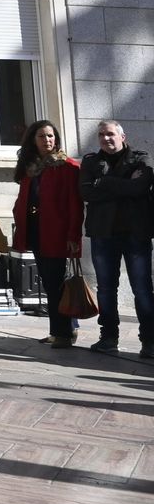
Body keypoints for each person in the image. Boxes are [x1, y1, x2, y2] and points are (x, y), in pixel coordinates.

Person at [80, 120, 154, 358]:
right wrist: (123, 184)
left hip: (136, 233)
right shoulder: (91, 162)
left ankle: (150, 341)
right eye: (101, 135)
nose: (105, 138)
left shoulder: (142, 159)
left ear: (123, 136)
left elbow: (140, 188)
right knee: (106, 289)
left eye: (110, 134)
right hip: (104, 233)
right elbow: (86, 192)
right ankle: (108, 337)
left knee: (142, 289)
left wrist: (105, 183)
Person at [12, 119, 83, 348]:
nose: (47, 140)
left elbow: (75, 204)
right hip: (34, 231)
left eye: (50, 136)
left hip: (57, 233)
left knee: (55, 283)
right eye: (41, 136)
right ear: (33, 140)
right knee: (50, 282)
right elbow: (24, 199)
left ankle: (63, 333)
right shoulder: (30, 168)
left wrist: (73, 236)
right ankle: (59, 330)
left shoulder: (67, 166)